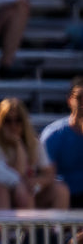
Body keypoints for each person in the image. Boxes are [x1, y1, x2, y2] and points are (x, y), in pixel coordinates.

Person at [0, 98, 68, 209]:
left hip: (30, 189)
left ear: (24, 122)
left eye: (18, 120)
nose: (13, 125)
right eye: (8, 121)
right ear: (0, 123)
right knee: (24, 193)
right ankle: (24, 221)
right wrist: (18, 144)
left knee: (60, 190)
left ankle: (57, 221)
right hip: (7, 192)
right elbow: (17, 175)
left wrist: (37, 183)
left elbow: (48, 173)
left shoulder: (34, 143)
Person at [40, 77, 83, 208]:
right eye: (80, 98)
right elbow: (47, 176)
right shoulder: (54, 134)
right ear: (69, 100)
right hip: (65, 196)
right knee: (60, 191)